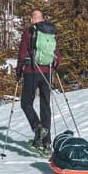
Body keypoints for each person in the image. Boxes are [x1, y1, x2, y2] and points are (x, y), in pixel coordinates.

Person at [15, 10, 60, 148]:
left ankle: (37, 127)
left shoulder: (29, 32)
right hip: (48, 72)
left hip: (32, 71)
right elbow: (57, 54)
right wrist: (54, 67)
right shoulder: (50, 32)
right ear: (43, 19)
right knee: (45, 105)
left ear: (33, 19)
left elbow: (22, 54)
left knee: (26, 103)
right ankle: (46, 142)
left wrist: (18, 72)